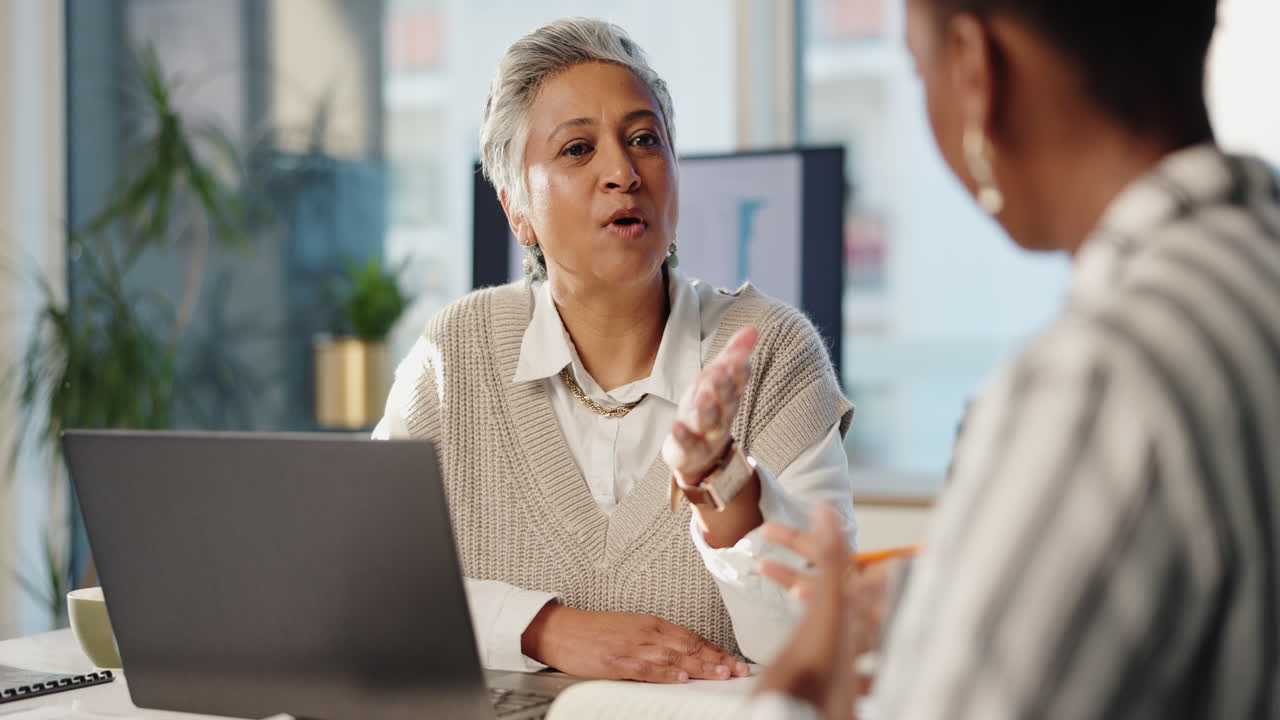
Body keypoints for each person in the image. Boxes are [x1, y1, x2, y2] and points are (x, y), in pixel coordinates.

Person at [750, 0, 1280, 718]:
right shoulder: (1251, 270)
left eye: (919, 70)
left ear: (974, 65)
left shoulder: (1098, 383)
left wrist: (795, 687)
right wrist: (946, 599)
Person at [373, 18, 856, 684]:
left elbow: (818, 641)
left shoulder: (772, 352)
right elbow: (366, 591)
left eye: (644, 140)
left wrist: (725, 486)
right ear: (516, 207)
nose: (623, 173)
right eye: (577, 149)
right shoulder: (456, 355)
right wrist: (545, 629)